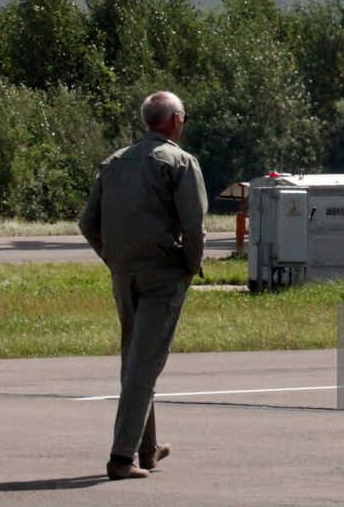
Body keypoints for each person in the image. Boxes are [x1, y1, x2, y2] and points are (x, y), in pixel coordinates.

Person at [79, 91, 208, 481]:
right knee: (143, 365)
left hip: (125, 272)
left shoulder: (114, 162)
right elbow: (194, 227)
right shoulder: (180, 162)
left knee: (136, 358)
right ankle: (122, 457)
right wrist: (189, 267)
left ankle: (147, 449)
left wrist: (114, 258)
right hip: (163, 274)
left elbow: (88, 223)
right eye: (182, 116)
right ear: (174, 121)